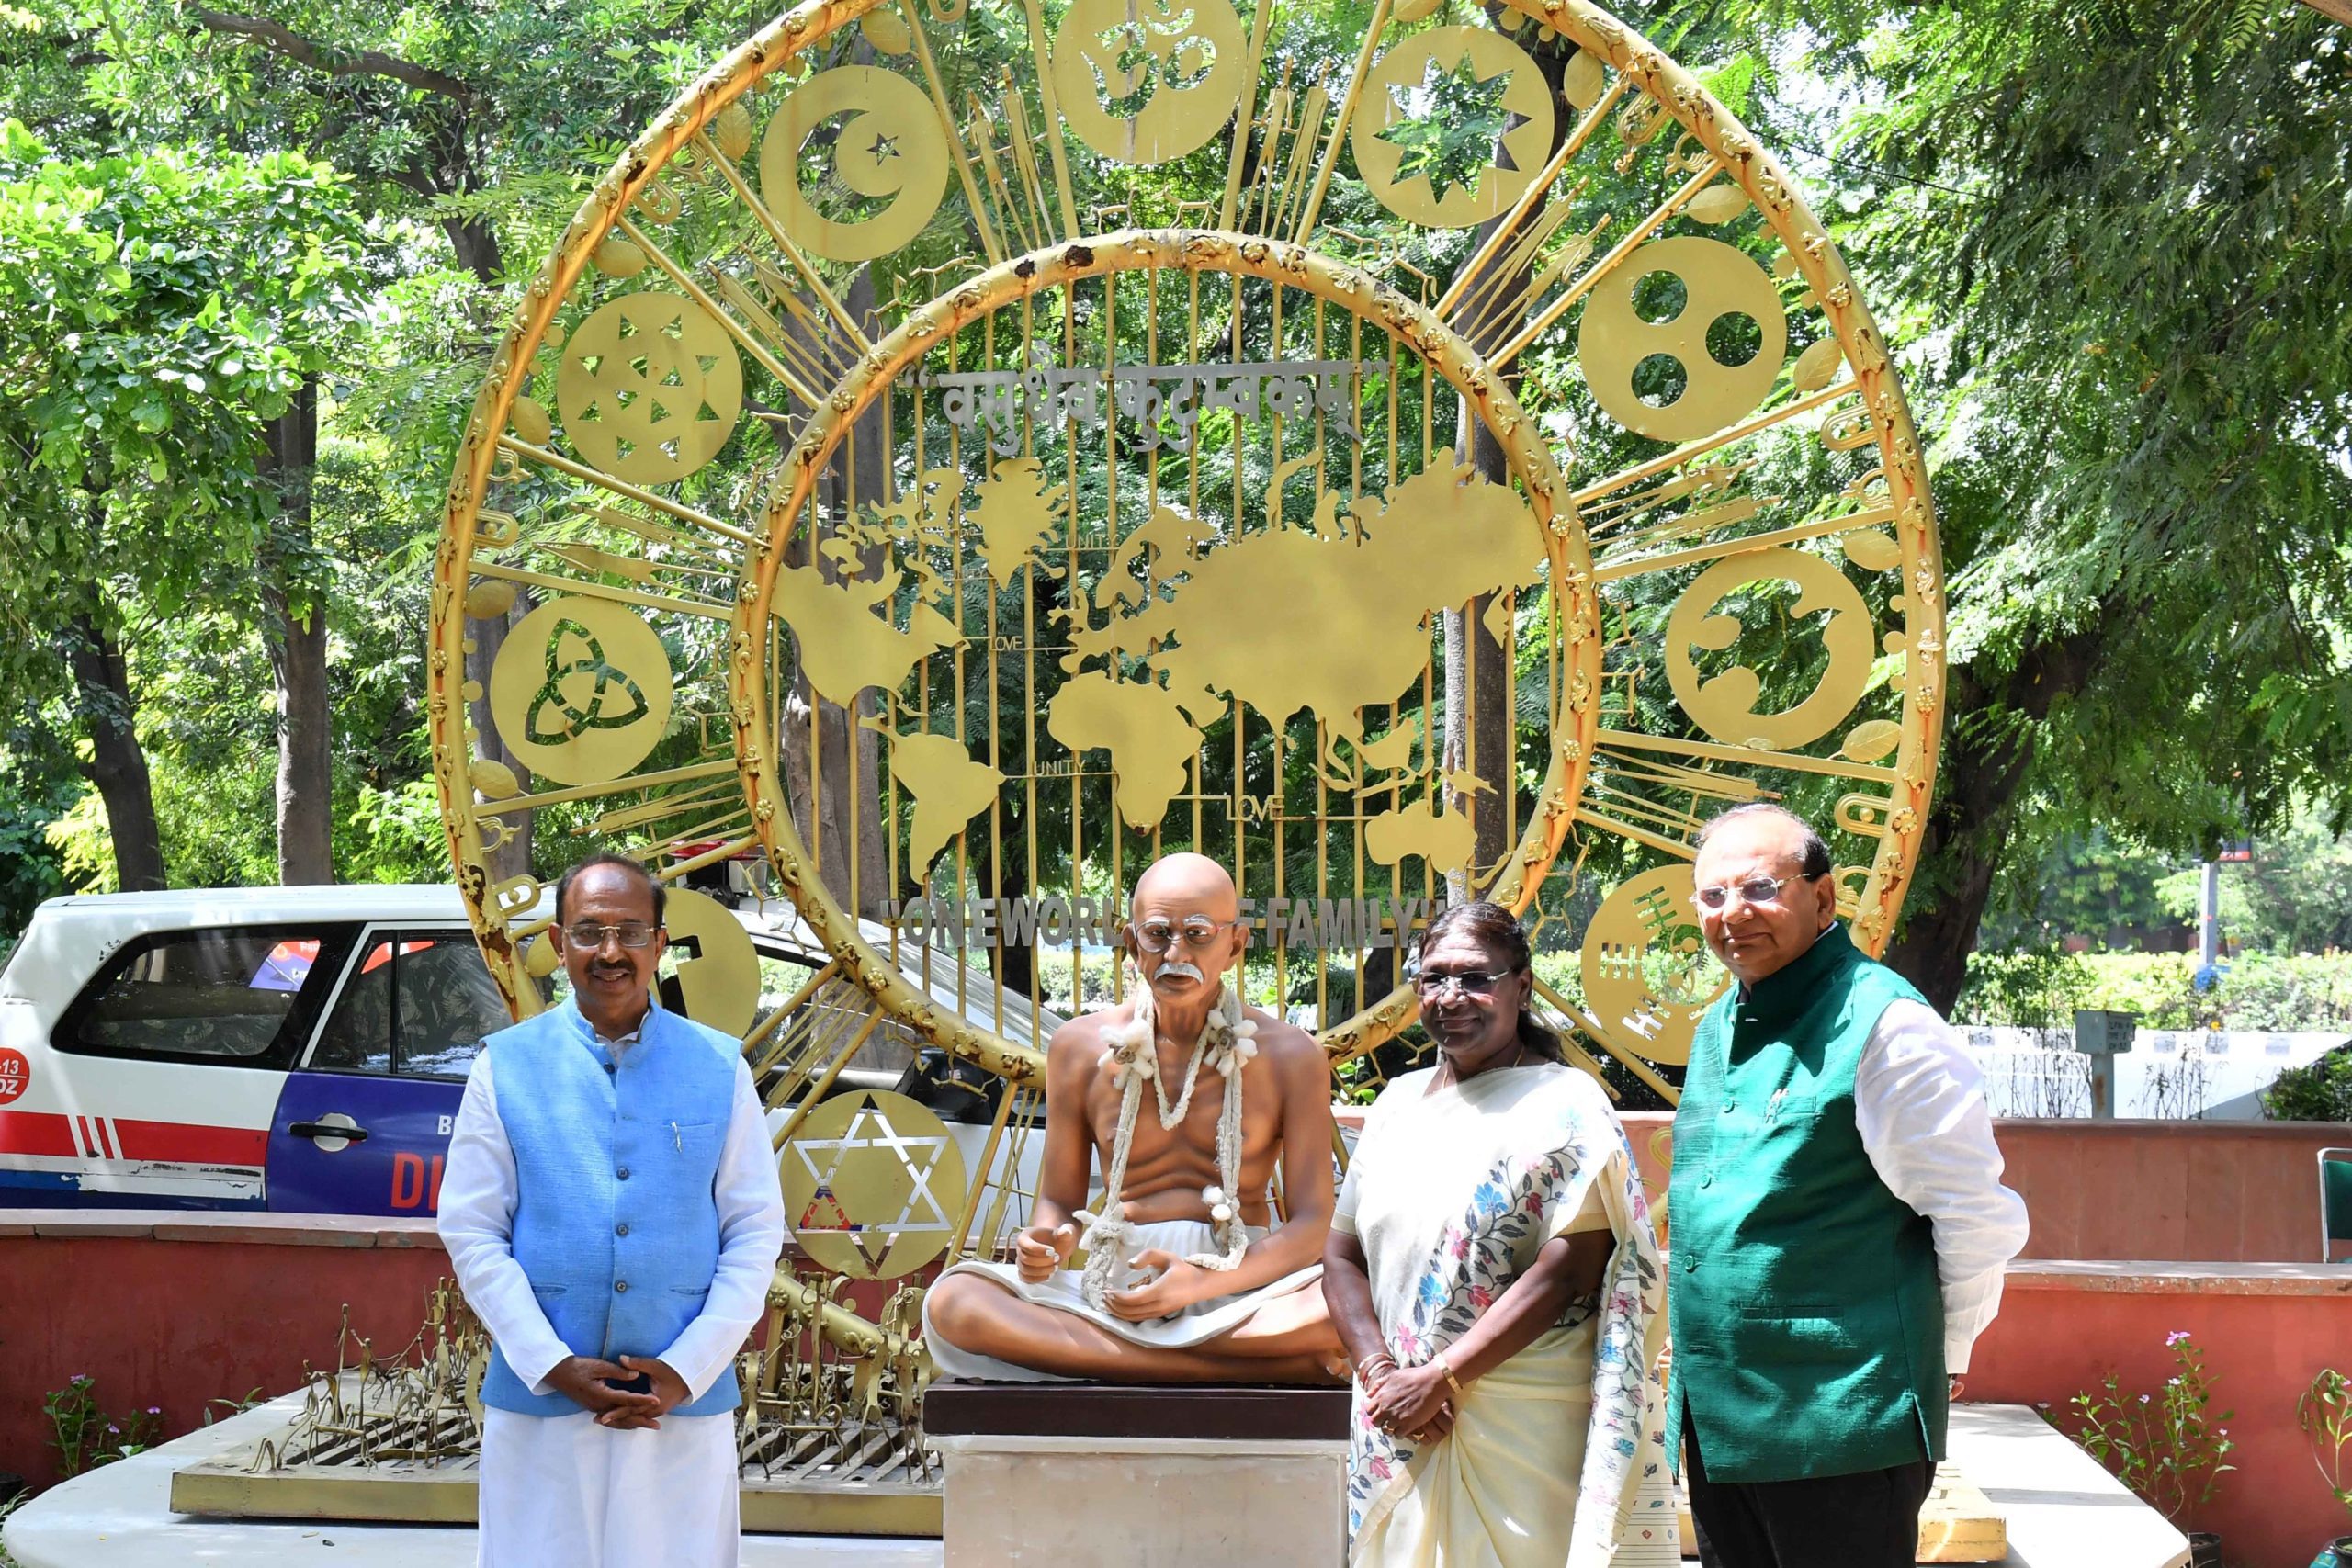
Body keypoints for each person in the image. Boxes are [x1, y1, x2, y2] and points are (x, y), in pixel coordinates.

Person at [1668, 803, 2030, 1568]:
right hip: (1726, 1418)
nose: (1734, 914)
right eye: (1712, 896)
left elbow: (1973, 1212)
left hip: (1841, 1416)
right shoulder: (1714, 1028)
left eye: (1760, 888)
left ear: (1824, 898)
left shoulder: (1887, 1025)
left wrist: (1947, 1347)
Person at [438, 853, 786, 1567]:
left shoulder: (719, 1066)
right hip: (542, 1404)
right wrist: (551, 1360)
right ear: (559, 943)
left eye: (630, 931)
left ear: (660, 943)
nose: (610, 951)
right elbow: (473, 1228)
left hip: (680, 1407)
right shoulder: (504, 1065)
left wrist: (687, 1367)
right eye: (589, 931)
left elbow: (754, 1230)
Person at [1322, 900, 1679, 1567]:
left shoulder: (1565, 1104)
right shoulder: (1397, 1104)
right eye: (1433, 978)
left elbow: (1569, 1267)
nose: (1451, 996)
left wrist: (1444, 1377)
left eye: (1475, 977)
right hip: (1397, 1410)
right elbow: (1341, 1255)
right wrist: (1381, 1373)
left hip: (1517, 1419)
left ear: (1522, 985)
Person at [922, 852, 1341, 1381]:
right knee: (955, 1302)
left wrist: (1202, 1282)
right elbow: (1058, 1200)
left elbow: (1312, 1224)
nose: (1175, 952)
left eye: (1198, 933)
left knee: (1349, 1302)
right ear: (1130, 944)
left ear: (1235, 944)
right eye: (1158, 933)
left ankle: (1125, 1363)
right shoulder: (1078, 1047)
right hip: (1115, 1289)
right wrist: (1048, 1242)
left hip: (1241, 1287)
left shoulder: (1291, 1056)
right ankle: (1214, 1368)